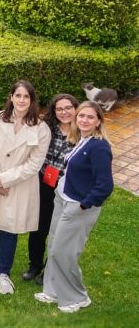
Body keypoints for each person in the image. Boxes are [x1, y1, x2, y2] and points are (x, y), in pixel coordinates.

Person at [0, 80, 49, 290]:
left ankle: (4, 272)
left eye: (26, 96)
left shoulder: (41, 129)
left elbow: (34, 164)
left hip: (19, 184)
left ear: (32, 100)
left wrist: (6, 180)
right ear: (11, 97)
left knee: (10, 225)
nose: (21, 100)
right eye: (18, 95)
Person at [37, 101, 114, 313]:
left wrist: (84, 204)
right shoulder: (81, 139)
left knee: (63, 253)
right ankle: (52, 291)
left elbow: (105, 185)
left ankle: (77, 298)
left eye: (90, 117)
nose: (84, 120)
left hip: (77, 207)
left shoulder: (99, 147)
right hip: (62, 198)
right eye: (81, 116)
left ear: (98, 121)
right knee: (53, 247)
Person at [25, 93, 79, 284]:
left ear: (76, 109)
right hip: (43, 182)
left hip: (65, 186)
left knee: (58, 230)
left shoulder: (83, 133)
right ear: (54, 111)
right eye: (59, 109)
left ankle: (50, 269)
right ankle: (35, 265)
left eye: (68, 108)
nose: (64, 112)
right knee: (38, 227)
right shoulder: (47, 128)